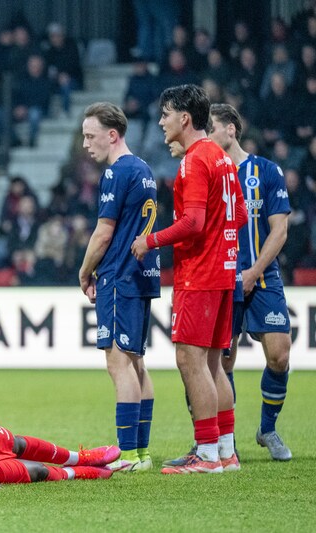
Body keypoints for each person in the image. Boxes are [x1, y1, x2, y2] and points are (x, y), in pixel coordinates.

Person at [130, 84, 247, 474]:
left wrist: (150, 240)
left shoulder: (195, 161)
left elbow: (194, 223)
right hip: (224, 272)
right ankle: (226, 451)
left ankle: (208, 453)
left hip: (200, 274)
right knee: (213, 364)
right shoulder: (222, 158)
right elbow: (239, 215)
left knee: (189, 360)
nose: (161, 122)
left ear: (184, 118)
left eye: (166, 114)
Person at [78, 102, 160, 472]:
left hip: (119, 276)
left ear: (112, 135)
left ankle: (127, 455)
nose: (85, 144)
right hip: (143, 275)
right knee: (136, 361)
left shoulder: (116, 172)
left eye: (90, 136)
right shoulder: (145, 169)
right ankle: (140, 453)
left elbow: (103, 232)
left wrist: (85, 271)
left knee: (118, 362)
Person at [208, 103, 293, 461]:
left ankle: (267, 429)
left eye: (211, 127)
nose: (206, 135)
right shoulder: (208, 173)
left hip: (263, 275)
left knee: (279, 354)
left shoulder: (266, 171)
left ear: (231, 129)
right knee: (223, 362)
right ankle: (225, 442)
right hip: (222, 278)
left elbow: (280, 229)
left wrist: (254, 271)